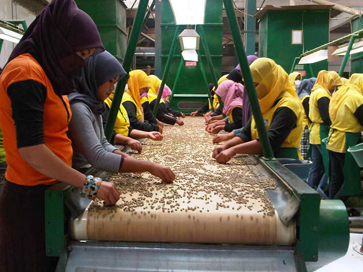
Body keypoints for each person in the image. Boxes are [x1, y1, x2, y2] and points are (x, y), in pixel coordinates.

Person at [0, 1, 120, 271]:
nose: (80, 64)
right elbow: (32, 150)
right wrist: (92, 185)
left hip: (54, 193)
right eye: (79, 55)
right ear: (59, 42)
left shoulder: (49, 74)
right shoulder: (25, 73)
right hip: (29, 202)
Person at [68, 51, 176, 182]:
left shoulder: (94, 105)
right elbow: (97, 157)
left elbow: (103, 142)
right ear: (94, 77)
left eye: (114, 83)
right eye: (109, 81)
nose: (112, 88)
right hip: (80, 174)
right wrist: (148, 166)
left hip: (92, 171)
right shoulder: (78, 107)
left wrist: (125, 158)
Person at [212, 58, 303, 164]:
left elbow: (270, 141)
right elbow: (247, 133)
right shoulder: (264, 102)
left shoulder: (288, 106)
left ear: (269, 81)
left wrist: (234, 150)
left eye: (255, 85)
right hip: (264, 160)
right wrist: (226, 146)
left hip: (285, 163)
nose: (252, 90)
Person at [326, 74, 363, 199]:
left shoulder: (341, 94)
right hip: (346, 142)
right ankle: (340, 207)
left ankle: (330, 207)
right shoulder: (356, 97)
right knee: (349, 179)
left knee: (336, 178)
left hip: (333, 140)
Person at [307, 70, 342, 191]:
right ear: (328, 82)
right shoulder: (322, 94)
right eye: (334, 86)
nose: (334, 89)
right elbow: (326, 117)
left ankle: (310, 189)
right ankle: (322, 191)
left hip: (315, 133)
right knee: (328, 165)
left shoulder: (315, 91)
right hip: (322, 132)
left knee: (316, 166)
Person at [296, 78, 316, 160]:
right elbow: (309, 114)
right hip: (305, 126)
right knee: (304, 150)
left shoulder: (299, 95)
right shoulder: (306, 98)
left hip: (300, 124)